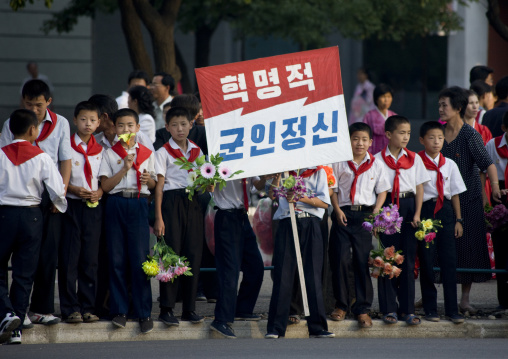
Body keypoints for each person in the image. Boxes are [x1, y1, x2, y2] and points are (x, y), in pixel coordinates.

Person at [1, 79, 72, 327]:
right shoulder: (18, 129)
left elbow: (66, 161)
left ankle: (28, 311)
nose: (34, 109)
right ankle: (14, 314)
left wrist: (56, 197)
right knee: (20, 264)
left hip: (34, 200)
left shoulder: (61, 123)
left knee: (44, 256)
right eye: (29, 104)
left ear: (48, 102)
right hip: (25, 201)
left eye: (38, 105)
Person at [439, 86, 502, 313]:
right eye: (440, 105)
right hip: (443, 199)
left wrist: (494, 188)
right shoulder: (438, 132)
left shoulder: (469, 134)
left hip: (469, 199)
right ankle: (439, 295)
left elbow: (488, 163)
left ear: (458, 108)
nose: (441, 109)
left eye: (445, 105)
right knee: (441, 247)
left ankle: (464, 299)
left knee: (468, 248)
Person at [99, 108, 157, 334]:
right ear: (115, 128)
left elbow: (153, 186)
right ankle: (119, 311)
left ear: (137, 128)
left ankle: (144, 312)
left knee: (140, 259)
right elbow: (105, 186)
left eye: (130, 126)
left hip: (139, 203)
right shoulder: (110, 154)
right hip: (116, 203)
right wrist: (124, 168)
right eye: (121, 126)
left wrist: (149, 180)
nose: (126, 130)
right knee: (116, 258)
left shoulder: (146, 153)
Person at [329, 122, 391, 328]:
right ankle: (341, 305)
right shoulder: (339, 163)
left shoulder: (376, 164)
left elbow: (382, 191)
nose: (360, 143)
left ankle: (362, 309)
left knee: (362, 262)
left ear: (371, 142)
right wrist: (336, 210)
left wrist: (376, 211)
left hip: (365, 215)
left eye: (364, 140)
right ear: (349, 141)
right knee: (340, 260)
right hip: (343, 214)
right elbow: (334, 190)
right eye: (355, 139)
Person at [153, 107, 207, 326]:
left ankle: (189, 308)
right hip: (170, 203)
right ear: (167, 128)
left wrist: (208, 185)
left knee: (192, 254)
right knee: (171, 255)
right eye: (174, 125)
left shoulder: (197, 151)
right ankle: (166, 308)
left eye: (184, 124)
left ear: (191, 125)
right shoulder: (163, 152)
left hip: (193, 203)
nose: (179, 129)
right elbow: (158, 187)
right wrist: (158, 217)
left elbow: (203, 182)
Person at [374, 115, 430, 326]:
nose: (406, 137)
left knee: (407, 259)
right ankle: (389, 309)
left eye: (408, 133)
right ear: (388, 135)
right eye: (401, 133)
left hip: (408, 208)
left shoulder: (414, 158)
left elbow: (420, 188)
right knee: (387, 259)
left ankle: (407, 310)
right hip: (387, 206)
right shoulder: (377, 160)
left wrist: (416, 214)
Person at [265, 168, 334, 339]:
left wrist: (299, 198)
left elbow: (325, 203)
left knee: (313, 276)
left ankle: (317, 327)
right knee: (283, 275)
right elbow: (272, 195)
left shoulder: (318, 171)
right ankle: (275, 327)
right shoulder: (283, 169)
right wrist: (278, 177)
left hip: (310, 223)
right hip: (287, 223)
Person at [417, 121, 466, 324]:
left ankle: (452, 310)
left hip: (445, 213)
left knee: (449, 261)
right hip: (426, 213)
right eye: (431, 137)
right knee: (427, 260)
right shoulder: (416, 162)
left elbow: (454, 194)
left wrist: (458, 220)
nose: (436, 142)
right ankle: (430, 309)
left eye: (439, 137)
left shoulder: (450, 164)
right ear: (422, 140)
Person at [58, 101, 103, 324]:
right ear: (75, 120)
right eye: (83, 119)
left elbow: (103, 180)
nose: (88, 124)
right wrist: (72, 189)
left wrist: (99, 192)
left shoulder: (101, 150)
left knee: (90, 259)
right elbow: (60, 176)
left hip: (93, 207)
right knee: (69, 258)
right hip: (72, 205)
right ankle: (69, 307)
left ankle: (88, 306)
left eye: (93, 120)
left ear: (99, 123)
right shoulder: (66, 146)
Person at [209, 175, 268, 339]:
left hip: (242, 217)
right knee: (230, 271)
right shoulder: (220, 158)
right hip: (226, 217)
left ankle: (242, 309)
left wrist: (266, 177)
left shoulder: (246, 158)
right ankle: (221, 320)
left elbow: (258, 184)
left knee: (255, 267)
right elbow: (208, 184)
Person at [485, 111, 508, 309]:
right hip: (500, 199)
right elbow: (483, 172)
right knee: (501, 248)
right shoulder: (492, 145)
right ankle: (503, 300)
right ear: (504, 128)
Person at [91, 94, 155, 153]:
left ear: (104, 117)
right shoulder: (95, 141)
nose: (89, 123)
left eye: (92, 118)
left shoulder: (136, 136)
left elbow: (151, 160)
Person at [362, 83, 397, 154]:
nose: (386, 100)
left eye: (389, 96)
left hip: (391, 154)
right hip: (374, 153)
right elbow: (364, 136)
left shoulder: (394, 116)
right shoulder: (369, 116)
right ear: (376, 99)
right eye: (383, 96)